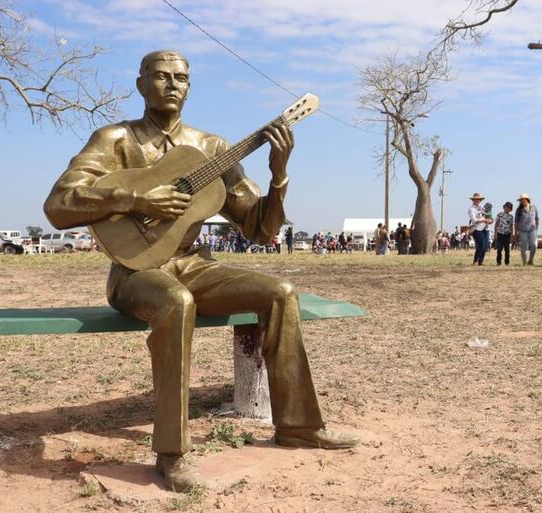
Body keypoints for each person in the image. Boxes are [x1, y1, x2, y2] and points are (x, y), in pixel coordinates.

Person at [43, 50, 357, 492]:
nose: (172, 84)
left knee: (280, 291)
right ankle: (172, 453)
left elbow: (260, 228)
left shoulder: (213, 149)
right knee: (176, 301)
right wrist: (134, 200)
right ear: (140, 84)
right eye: (161, 76)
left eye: (182, 78)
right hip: (134, 272)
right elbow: (59, 205)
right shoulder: (114, 139)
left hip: (192, 263)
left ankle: (299, 426)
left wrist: (279, 175)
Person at [514, 193, 539, 265]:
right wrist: (516, 233)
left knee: (534, 245)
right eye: (521, 200)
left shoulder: (534, 207)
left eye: (523, 199)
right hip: (522, 231)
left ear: (527, 199)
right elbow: (516, 222)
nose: (522, 201)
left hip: (532, 230)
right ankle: (524, 263)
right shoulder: (518, 210)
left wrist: (536, 228)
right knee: (524, 247)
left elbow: (537, 219)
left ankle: (531, 260)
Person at [468, 192, 492, 265]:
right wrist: (484, 220)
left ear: (480, 200)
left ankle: (480, 262)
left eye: (478, 199)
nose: (477, 200)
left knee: (486, 246)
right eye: (475, 199)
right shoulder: (471, 209)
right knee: (481, 244)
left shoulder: (483, 207)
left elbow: (488, 216)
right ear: (473, 200)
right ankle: (475, 260)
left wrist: (490, 220)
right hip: (477, 229)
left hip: (485, 228)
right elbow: (474, 220)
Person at [494, 201, 514, 266]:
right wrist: (495, 234)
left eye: (509, 208)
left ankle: (507, 262)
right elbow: (496, 224)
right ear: (504, 207)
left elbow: (511, 226)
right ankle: (498, 262)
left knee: (507, 250)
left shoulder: (511, 217)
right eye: (506, 207)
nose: (507, 209)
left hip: (507, 235)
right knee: (499, 249)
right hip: (500, 234)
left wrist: (511, 236)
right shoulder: (499, 214)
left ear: (511, 209)